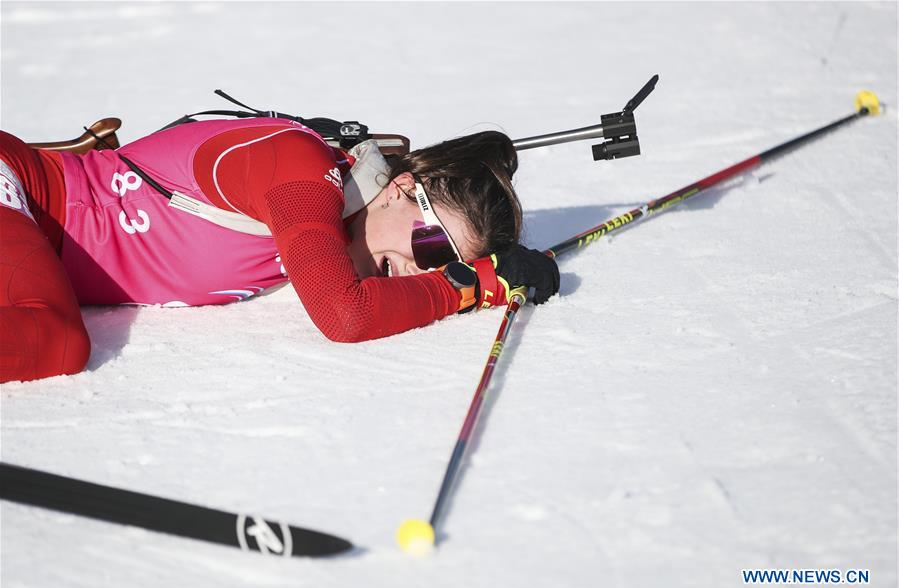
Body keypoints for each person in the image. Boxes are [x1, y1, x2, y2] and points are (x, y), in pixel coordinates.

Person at [0, 116, 559, 383]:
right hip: (17, 190)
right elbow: (345, 314)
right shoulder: (299, 174)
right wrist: (472, 286)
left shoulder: (340, 209)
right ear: (402, 188)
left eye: (447, 262)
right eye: (432, 246)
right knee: (57, 343)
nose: (418, 269)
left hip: (24, 236)